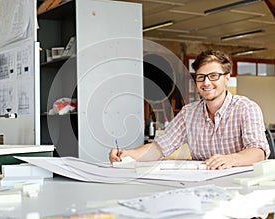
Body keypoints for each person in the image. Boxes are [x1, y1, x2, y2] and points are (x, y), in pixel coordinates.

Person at [109, 49, 270, 170]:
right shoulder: (189, 113)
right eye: (201, 77)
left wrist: (232, 159)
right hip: (202, 185)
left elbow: (258, 151)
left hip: (239, 185)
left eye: (213, 76)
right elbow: (159, 148)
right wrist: (128, 154)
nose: (206, 83)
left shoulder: (246, 108)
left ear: (227, 78)